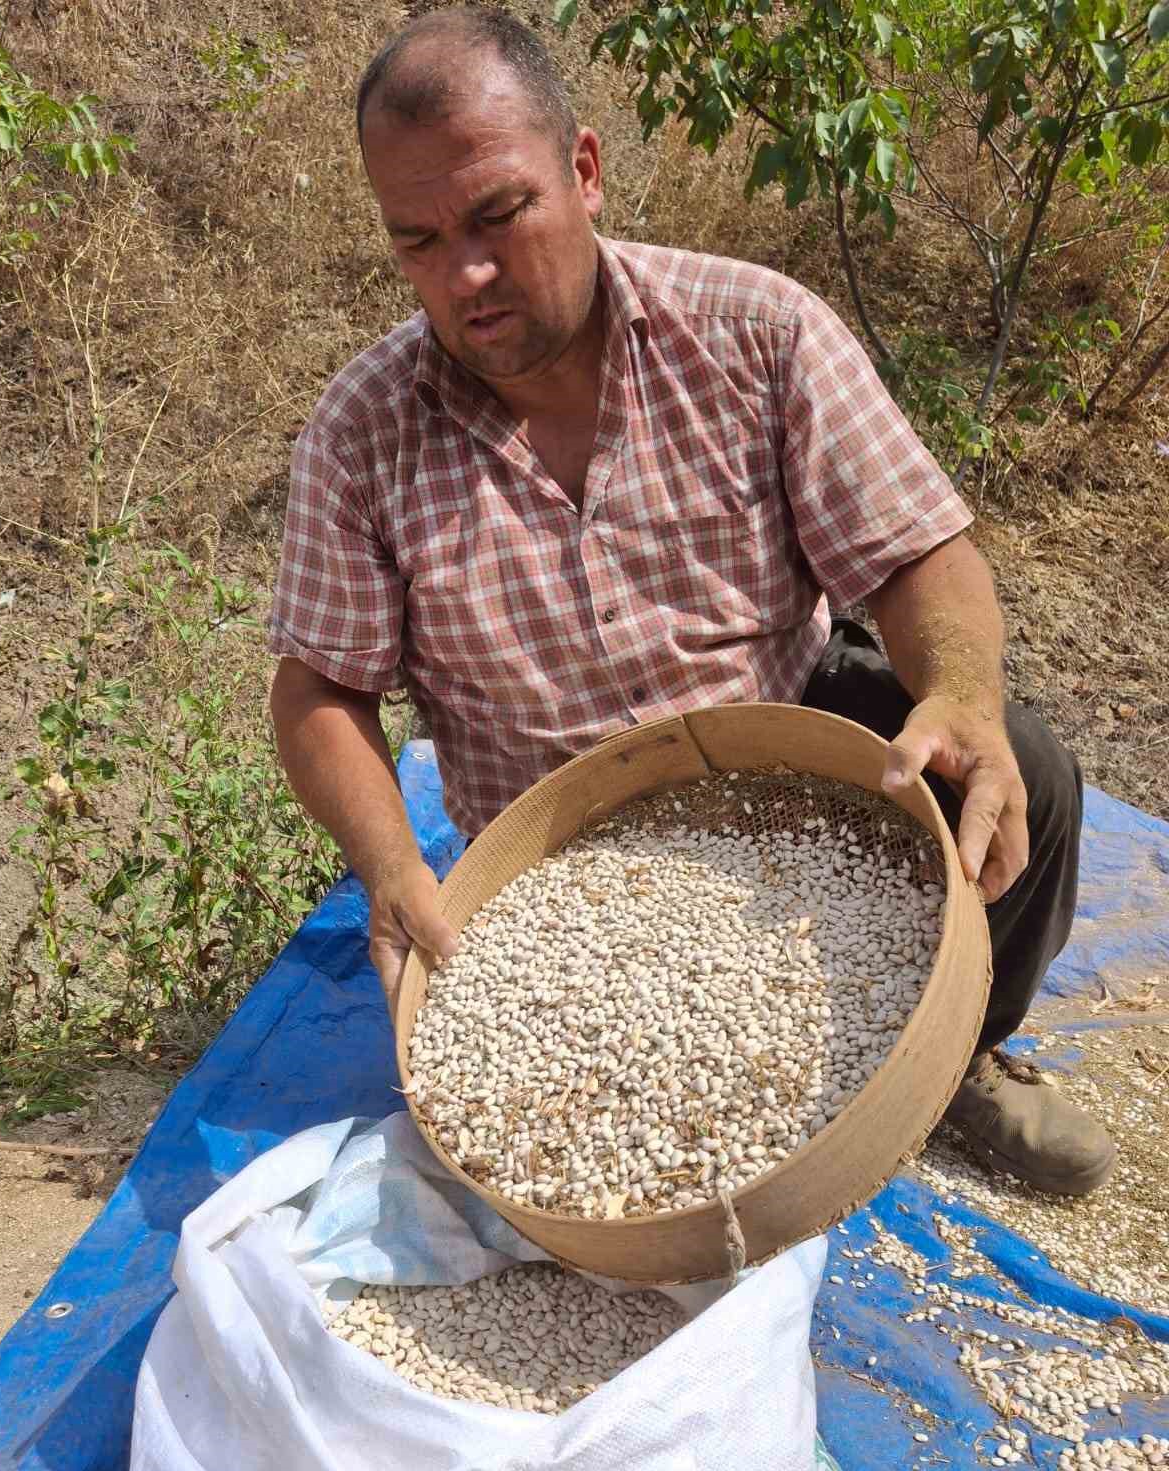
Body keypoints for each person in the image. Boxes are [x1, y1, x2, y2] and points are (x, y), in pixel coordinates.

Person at [268, 8, 1115, 1197]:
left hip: (793, 764)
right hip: (556, 860)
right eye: (417, 240)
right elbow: (319, 684)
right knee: (582, 1161)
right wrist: (390, 863)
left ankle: (953, 1055)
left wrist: (962, 694)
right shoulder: (363, 431)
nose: (465, 275)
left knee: (1024, 770)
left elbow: (918, 554)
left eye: (498, 216)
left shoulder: (755, 331)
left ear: (586, 170)